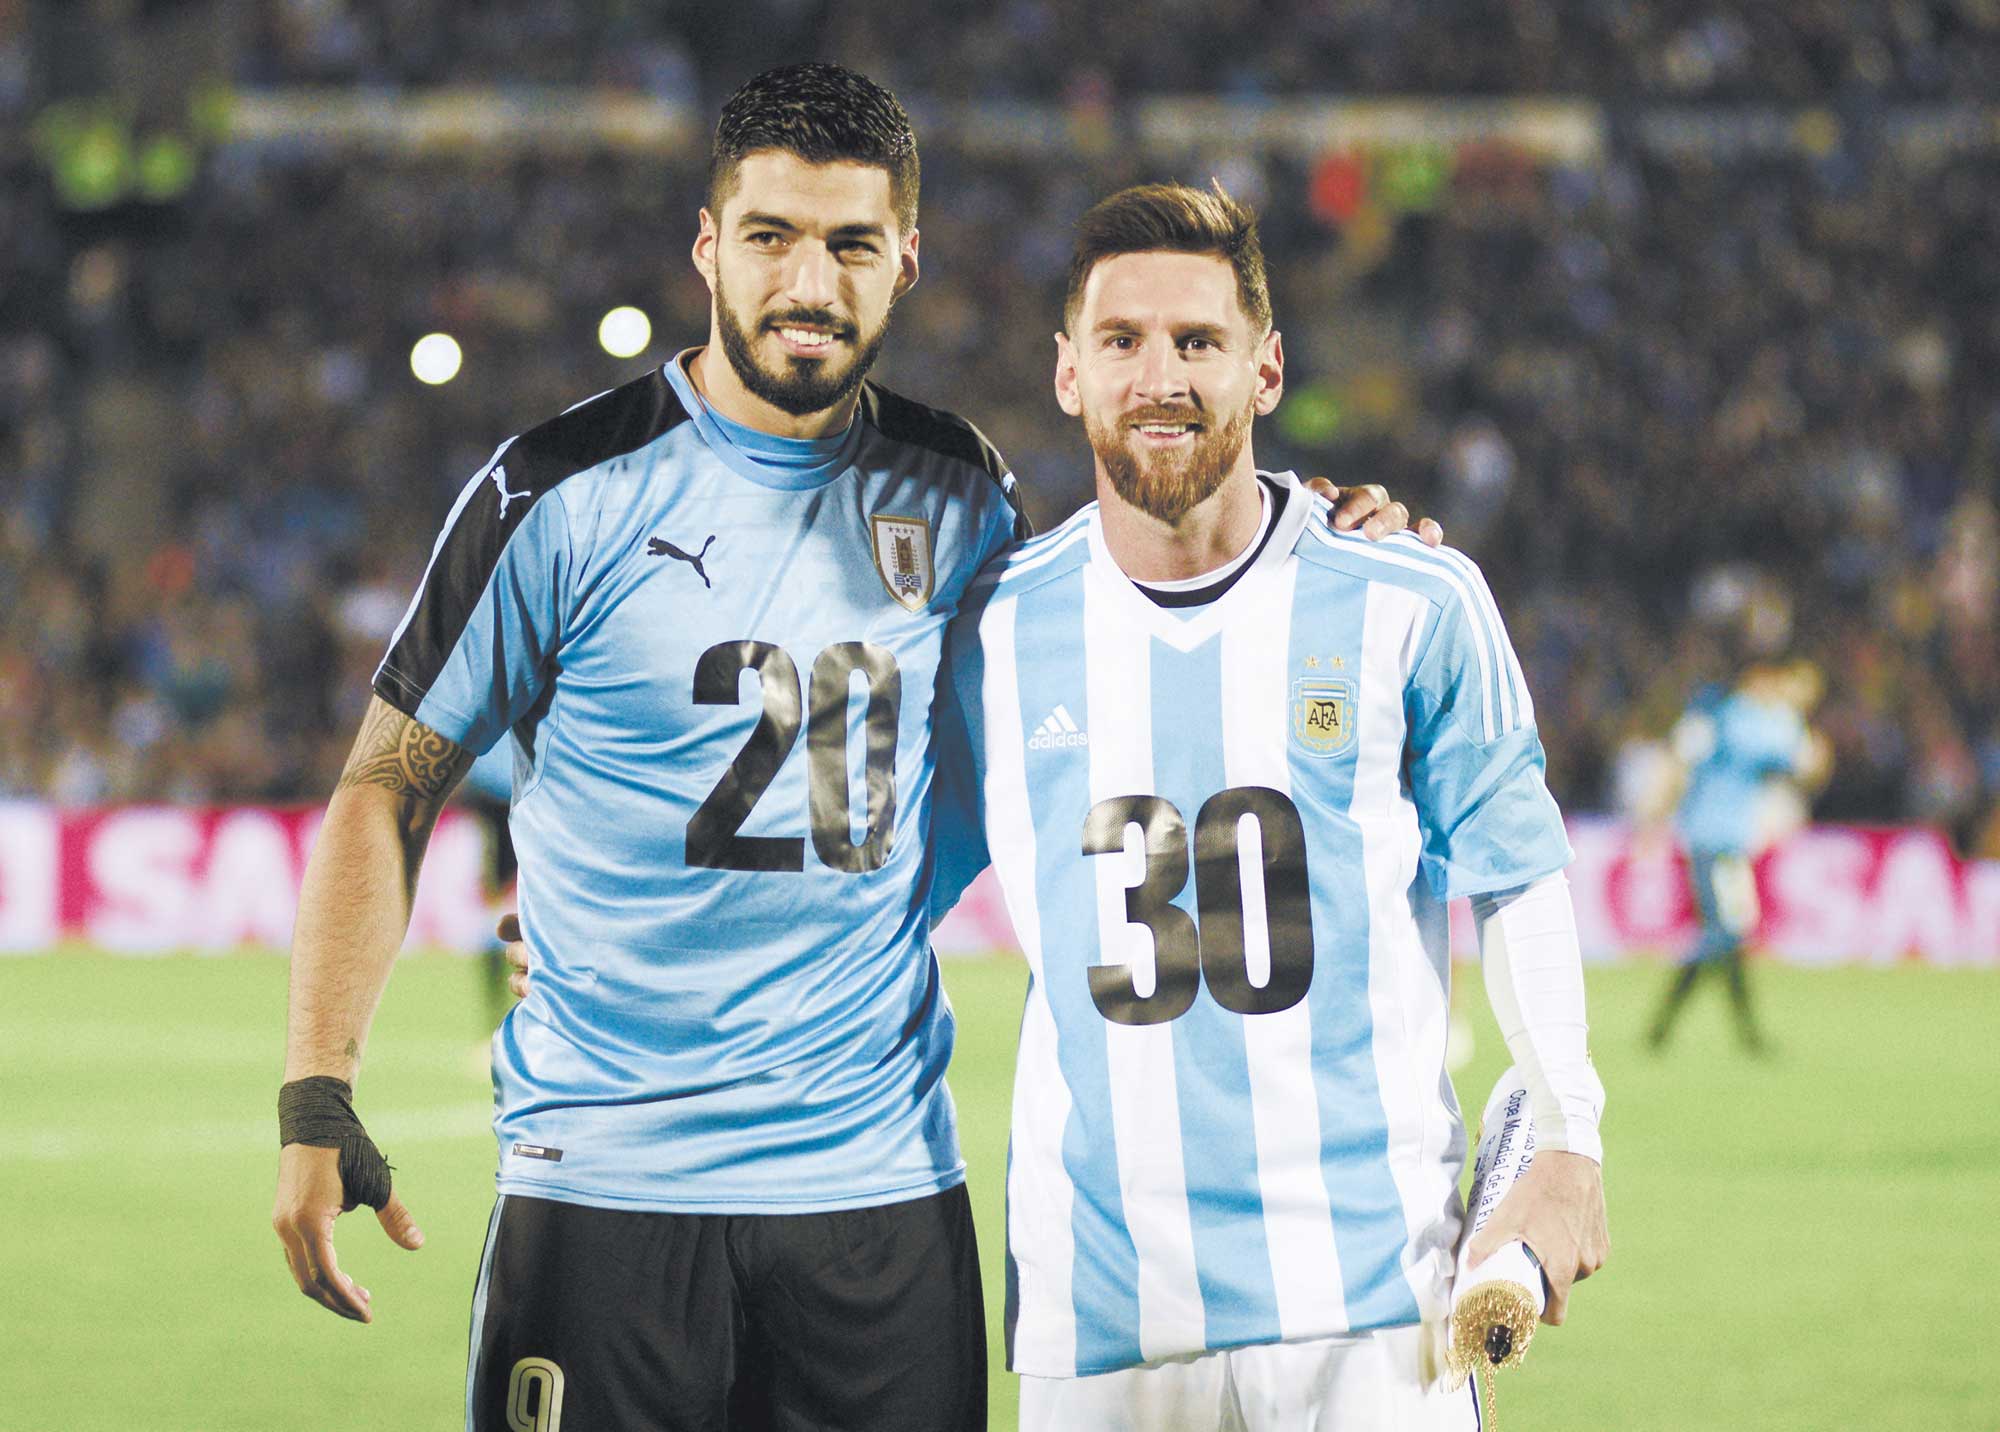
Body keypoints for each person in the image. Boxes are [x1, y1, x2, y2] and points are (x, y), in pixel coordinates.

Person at [271, 64, 1424, 1432]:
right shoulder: (557, 493)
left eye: (851, 246)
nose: (808, 283)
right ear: (708, 247)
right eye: (770, 237)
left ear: (905, 262)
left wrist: (1322, 536)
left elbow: (1106, 664)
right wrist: (317, 1090)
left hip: (877, 1206)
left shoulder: (962, 493)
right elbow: (386, 785)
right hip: (604, 1193)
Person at [929, 182, 1609, 1429]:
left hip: (1375, 1307)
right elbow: (869, 890)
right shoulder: (990, 631)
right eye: (1122, 340)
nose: (1160, 376)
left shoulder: (1410, 598)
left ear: (1267, 368)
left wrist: (1566, 1127)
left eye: (1198, 341)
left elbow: (1513, 868)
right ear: (1068, 372)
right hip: (1103, 1319)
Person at [1647, 658, 1828, 1054]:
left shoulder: (1721, 716)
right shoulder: (1747, 719)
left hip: (1717, 839)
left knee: (1729, 934)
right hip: (1716, 840)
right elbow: (1801, 762)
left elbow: (1684, 754)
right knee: (1724, 932)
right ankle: (1674, 1027)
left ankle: (1721, 1032)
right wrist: (1802, 729)